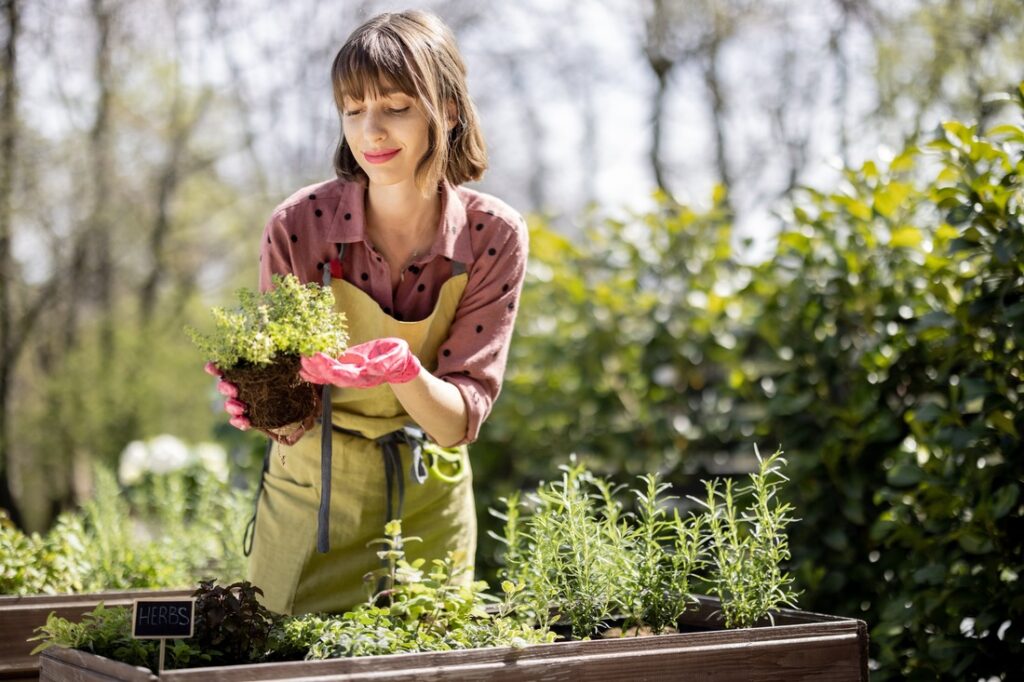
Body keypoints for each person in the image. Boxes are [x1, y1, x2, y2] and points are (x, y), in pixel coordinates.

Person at [205, 10, 527, 616]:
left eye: (397, 106)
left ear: (447, 111)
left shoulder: (492, 235)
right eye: (354, 110)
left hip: (428, 497)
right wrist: (260, 397)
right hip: (314, 494)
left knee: (430, 659)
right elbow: (288, 401)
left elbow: (456, 421)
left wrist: (402, 370)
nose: (371, 131)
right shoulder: (300, 227)